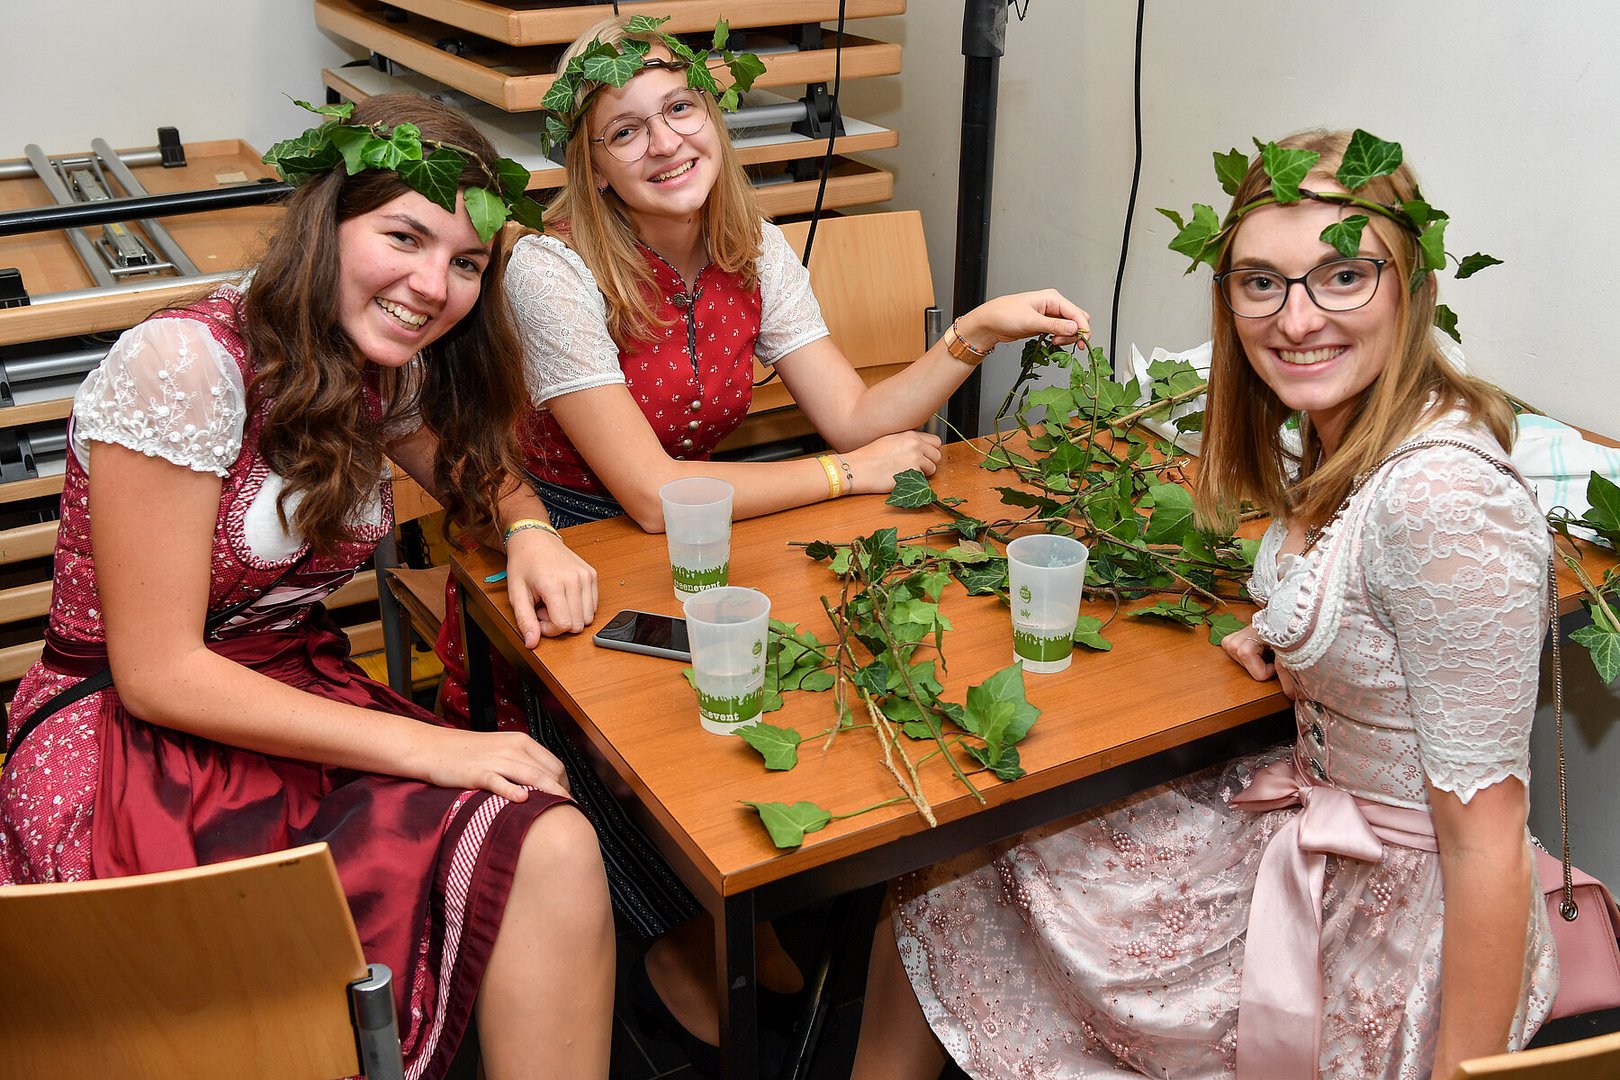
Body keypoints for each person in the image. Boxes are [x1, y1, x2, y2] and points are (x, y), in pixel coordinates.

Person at [425, 15, 1092, 1073]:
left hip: (708, 527)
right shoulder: (553, 267)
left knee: (797, 679)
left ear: (714, 117)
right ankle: (684, 937)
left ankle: (761, 915)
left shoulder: (756, 244)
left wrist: (975, 330)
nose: (664, 144)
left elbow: (855, 419)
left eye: (679, 110)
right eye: (624, 131)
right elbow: (652, 495)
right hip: (565, 537)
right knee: (660, 733)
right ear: (591, 166)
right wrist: (840, 478)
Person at [848, 130, 1557, 1080]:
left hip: (1389, 925)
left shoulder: (1445, 502)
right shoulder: (1347, 431)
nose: (1296, 320)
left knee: (961, 861)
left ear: (1412, 285)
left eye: (1343, 276)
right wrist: (1308, 637)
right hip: (1324, 824)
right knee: (958, 855)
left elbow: (1488, 846)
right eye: (1262, 282)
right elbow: (1379, 596)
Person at [0, 95, 613, 1079]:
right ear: (327, 221)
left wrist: (531, 526)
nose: (433, 287)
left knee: (557, 844)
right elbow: (157, 673)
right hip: (130, 738)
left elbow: (476, 471)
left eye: (466, 263)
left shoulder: (381, 363)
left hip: (295, 697)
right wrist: (434, 746)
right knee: (265, 987)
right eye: (404, 237)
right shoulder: (186, 364)